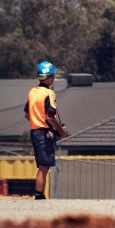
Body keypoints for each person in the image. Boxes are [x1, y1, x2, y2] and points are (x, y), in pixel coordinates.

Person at [24, 60, 68, 200]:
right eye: (53, 76)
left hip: (34, 132)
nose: (54, 79)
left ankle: (39, 195)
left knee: (43, 165)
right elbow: (50, 117)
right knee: (44, 166)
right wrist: (60, 130)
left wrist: (37, 121)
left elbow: (27, 114)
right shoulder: (49, 94)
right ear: (48, 77)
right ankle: (39, 195)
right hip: (44, 133)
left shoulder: (33, 92)